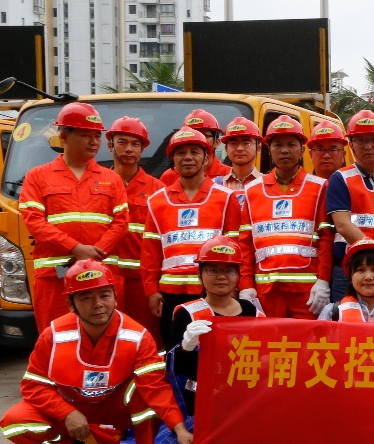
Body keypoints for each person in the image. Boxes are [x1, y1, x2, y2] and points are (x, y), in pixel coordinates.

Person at [0, 260, 192, 444]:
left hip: (116, 410)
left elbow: (156, 388)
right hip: (70, 407)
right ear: (70, 304)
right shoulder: (53, 335)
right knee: (14, 422)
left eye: (104, 295)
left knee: (145, 387)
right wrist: (66, 413)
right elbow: (33, 386)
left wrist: (179, 429)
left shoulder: (138, 336)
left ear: (115, 297)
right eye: (86, 298)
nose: (98, 304)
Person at [19, 101, 129, 330]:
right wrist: (74, 248)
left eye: (97, 136)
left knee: (105, 339)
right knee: (56, 337)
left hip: (102, 278)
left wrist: (92, 257)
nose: (94, 141)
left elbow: (121, 223)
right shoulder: (37, 176)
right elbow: (34, 221)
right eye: (86, 135)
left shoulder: (111, 179)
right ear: (63, 136)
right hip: (55, 277)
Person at [142, 129, 245, 348]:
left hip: (214, 293)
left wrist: (236, 288)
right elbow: (150, 251)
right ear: (172, 159)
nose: (187, 157)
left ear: (206, 158)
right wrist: (151, 291)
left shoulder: (226, 198)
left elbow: (237, 249)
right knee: (176, 353)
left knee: (215, 352)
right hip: (170, 294)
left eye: (194, 152)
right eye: (181, 153)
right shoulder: (157, 201)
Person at [239, 116, 333, 318]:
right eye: (278, 145)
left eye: (291, 144)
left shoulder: (319, 187)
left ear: (302, 148)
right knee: (269, 338)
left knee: (310, 338)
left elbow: (326, 239)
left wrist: (323, 280)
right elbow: (246, 244)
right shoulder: (252, 190)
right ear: (268, 149)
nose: (284, 150)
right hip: (266, 291)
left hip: (308, 293)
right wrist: (246, 286)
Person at [169, 236, 262, 414]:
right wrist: (185, 348)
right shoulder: (186, 314)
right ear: (199, 275)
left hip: (245, 401)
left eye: (229, 270)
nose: (221, 277)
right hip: (199, 404)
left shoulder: (252, 311)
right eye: (212, 270)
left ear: (238, 275)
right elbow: (171, 369)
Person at [325, 110, 374, 303]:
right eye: (360, 140)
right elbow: (343, 225)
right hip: (350, 268)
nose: (368, 146)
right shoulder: (340, 179)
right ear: (351, 144)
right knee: (346, 318)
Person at [105, 116, 163, 344]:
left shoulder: (158, 190)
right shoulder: (99, 186)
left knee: (145, 338)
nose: (129, 149)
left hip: (142, 282)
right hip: (107, 278)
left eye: (135, 144)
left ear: (142, 149)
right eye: (122, 142)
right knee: (110, 337)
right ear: (110, 145)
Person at [159, 109, 231, 186]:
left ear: (216, 142)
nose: (197, 139)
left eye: (204, 135)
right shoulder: (169, 176)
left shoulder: (229, 175)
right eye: (191, 135)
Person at [215, 116, 263, 198]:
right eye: (234, 143)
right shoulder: (216, 185)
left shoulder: (268, 184)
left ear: (258, 148)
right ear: (226, 148)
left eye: (246, 143)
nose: (239, 148)